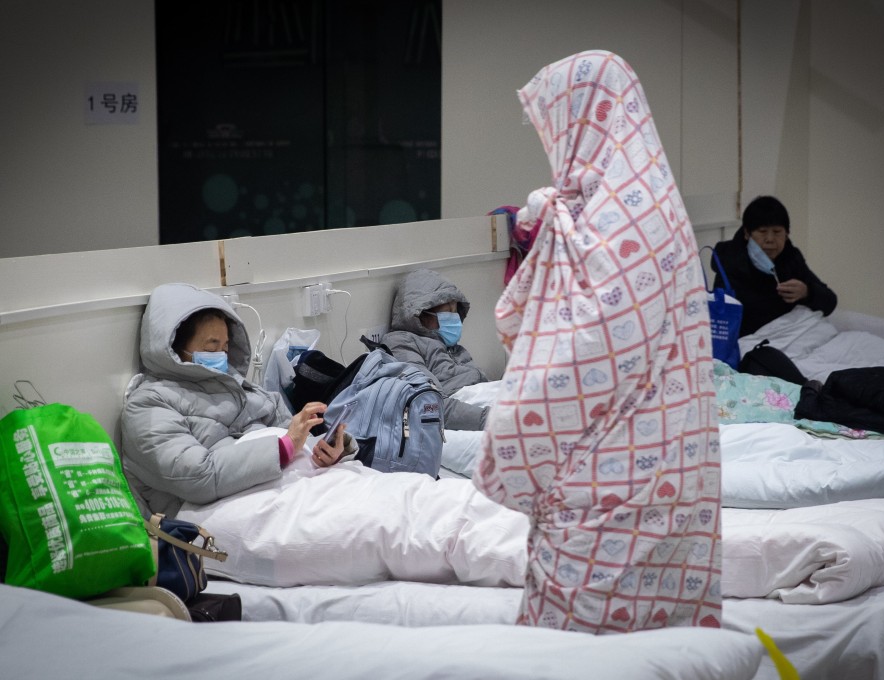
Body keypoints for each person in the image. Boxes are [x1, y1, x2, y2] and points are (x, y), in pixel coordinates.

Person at [472, 50, 722, 633]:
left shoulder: (620, 219)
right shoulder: (638, 198)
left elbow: (584, 357)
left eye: (550, 128)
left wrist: (511, 444)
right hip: (660, 464)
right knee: (657, 647)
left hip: (613, 482)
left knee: (586, 653)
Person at [120, 282, 357, 518]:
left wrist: (325, 450)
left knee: (373, 498)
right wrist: (283, 448)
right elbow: (198, 477)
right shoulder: (149, 406)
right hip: (218, 512)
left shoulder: (243, 388)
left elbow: (294, 441)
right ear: (174, 347)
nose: (222, 356)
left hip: (288, 487)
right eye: (212, 347)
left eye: (225, 347)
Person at [711, 195, 837, 336]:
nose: (770, 240)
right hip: (754, 343)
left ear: (787, 234)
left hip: (795, 336)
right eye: (762, 232)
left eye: (777, 232)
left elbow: (830, 302)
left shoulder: (791, 258)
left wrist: (806, 292)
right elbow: (723, 321)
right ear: (747, 234)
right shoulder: (729, 262)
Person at [381, 268, 490, 430]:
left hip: (481, 406)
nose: (454, 320)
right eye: (447, 313)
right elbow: (430, 403)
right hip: (458, 418)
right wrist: (491, 419)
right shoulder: (400, 343)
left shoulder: (451, 347)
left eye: (455, 312)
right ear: (420, 314)